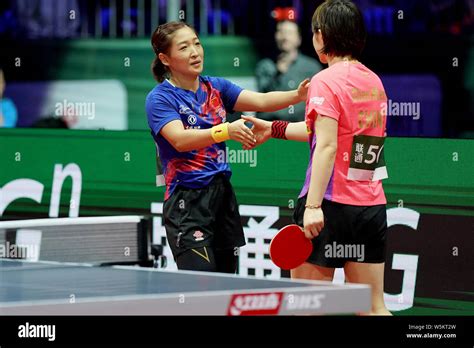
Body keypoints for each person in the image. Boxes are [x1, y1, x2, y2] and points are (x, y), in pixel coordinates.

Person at [243, 0, 391, 315]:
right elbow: (330, 133)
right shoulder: (374, 82)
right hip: (370, 207)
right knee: (373, 308)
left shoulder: (325, 80)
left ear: (321, 36)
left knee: (307, 309)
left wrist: (312, 207)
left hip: (328, 206)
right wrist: (275, 128)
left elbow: (326, 145)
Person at [145, 21, 309, 273]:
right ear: (165, 58)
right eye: (184, 47)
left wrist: (297, 96)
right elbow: (179, 138)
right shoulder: (160, 98)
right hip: (187, 201)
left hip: (222, 196)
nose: (195, 52)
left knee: (227, 284)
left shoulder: (216, 87)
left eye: (197, 43)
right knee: (201, 287)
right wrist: (225, 131)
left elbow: (261, 100)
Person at [255, 9, 323, 122]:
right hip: (269, 126)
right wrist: (279, 73)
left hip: (300, 128)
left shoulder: (312, 67)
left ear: (299, 39)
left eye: (290, 33)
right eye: (281, 32)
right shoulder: (265, 66)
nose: (285, 37)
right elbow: (262, 98)